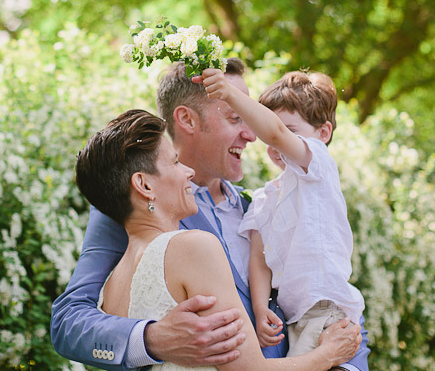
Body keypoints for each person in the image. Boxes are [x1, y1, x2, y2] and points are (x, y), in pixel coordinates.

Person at [51, 59, 370, 370]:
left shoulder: (263, 206)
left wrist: (342, 365)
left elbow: (331, 297)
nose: (252, 134)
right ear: (187, 120)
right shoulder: (129, 204)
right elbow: (69, 322)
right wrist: (152, 339)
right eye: (236, 117)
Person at [198, 68, 365, 358]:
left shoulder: (317, 168)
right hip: (294, 319)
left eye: (290, 131)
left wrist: (228, 93)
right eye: (269, 134)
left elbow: (273, 131)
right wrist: (261, 309)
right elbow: (259, 259)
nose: (274, 142)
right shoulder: (264, 198)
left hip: (326, 310)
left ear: (322, 133)